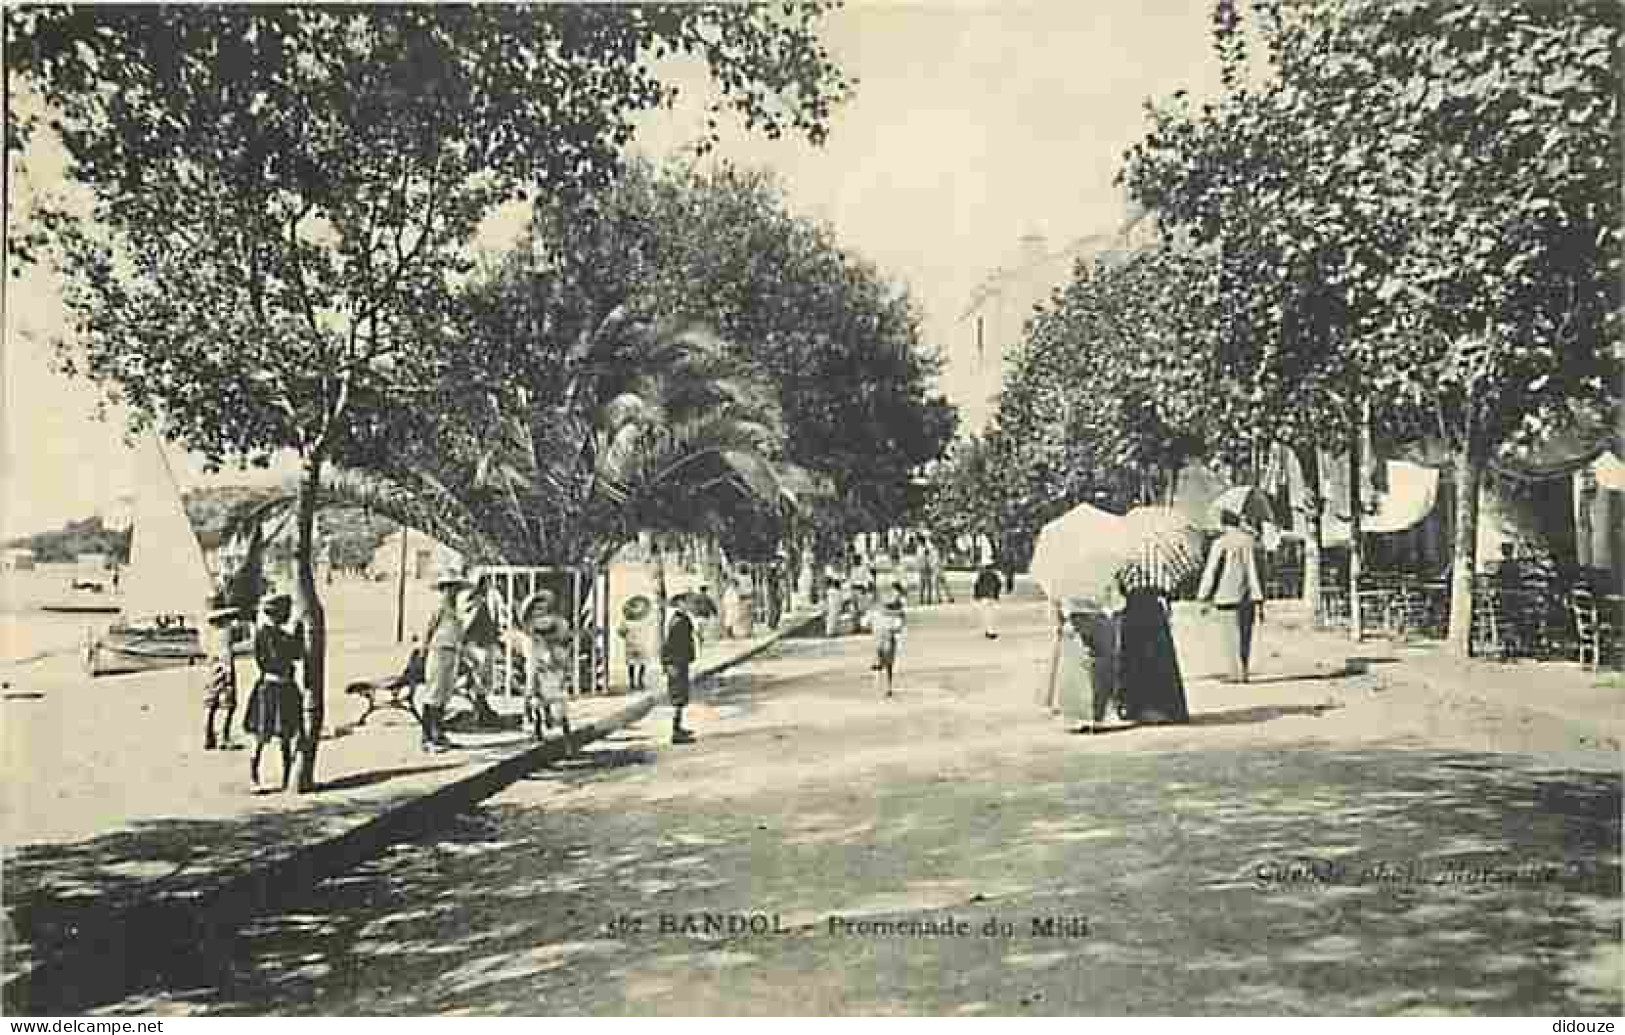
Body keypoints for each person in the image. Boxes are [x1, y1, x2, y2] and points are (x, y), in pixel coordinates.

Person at [1197, 509, 1266, 683]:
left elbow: (1212, 571)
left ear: (1223, 523)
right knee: (1245, 635)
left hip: (1226, 595)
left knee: (1230, 638)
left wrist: (1204, 595)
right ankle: (1243, 670)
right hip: (1249, 595)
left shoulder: (1220, 543)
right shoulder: (1252, 542)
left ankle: (1235, 673)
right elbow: (1259, 571)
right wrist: (1259, 598)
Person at [243, 593, 303, 791]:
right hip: (270, 688)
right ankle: (253, 775)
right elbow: (283, 657)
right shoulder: (266, 634)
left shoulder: (278, 634)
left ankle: (286, 776)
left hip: (283, 687)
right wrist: (294, 636)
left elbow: (297, 653)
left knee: (285, 734)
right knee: (262, 734)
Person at [1046, 585, 1124, 734]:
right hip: (1097, 615)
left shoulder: (1062, 574)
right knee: (1102, 664)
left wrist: (1059, 618)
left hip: (1074, 615)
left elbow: (1055, 598)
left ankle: (1078, 715)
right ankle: (1100, 713)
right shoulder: (1098, 569)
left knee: (1077, 666)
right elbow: (1112, 597)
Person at [1116, 580, 1189, 723]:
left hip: (1136, 601)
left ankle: (1142, 707)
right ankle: (1159, 708)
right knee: (1155, 656)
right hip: (1150, 601)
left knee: (1140, 656)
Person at [419, 571, 469, 752]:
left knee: (444, 694)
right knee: (433, 693)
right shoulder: (439, 608)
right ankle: (427, 737)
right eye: (448, 588)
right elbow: (428, 631)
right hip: (438, 652)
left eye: (455, 588)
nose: (452, 592)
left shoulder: (456, 610)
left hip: (452, 653)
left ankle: (438, 733)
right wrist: (423, 653)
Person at [518, 588, 573, 744]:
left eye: (543, 607)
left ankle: (566, 735)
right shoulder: (529, 629)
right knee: (535, 696)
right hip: (537, 665)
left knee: (559, 700)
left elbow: (564, 637)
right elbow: (529, 650)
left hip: (554, 667)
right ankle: (537, 728)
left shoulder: (557, 622)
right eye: (536, 608)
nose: (540, 611)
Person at [203, 599, 242, 750]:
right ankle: (224, 737)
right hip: (223, 669)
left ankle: (208, 736)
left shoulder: (208, 632)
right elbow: (226, 653)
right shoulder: (225, 633)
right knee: (229, 704)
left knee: (210, 704)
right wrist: (229, 673)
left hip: (211, 669)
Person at [661, 597, 698, 744]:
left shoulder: (681, 619)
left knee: (681, 696)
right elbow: (670, 645)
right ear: (679, 605)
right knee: (678, 697)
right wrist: (668, 664)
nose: (688, 605)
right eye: (685, 603)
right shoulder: (677, 622)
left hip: (680, 662)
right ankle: (676, 733)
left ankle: (678, 728)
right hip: (676, 663)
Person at [869, 582, 908, 697]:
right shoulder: (882, 611)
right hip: (884, 635)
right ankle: (885, 684)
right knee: (884, 658)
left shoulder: (896, 611)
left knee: (888, 661)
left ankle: (887, 686)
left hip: (888, 636)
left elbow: (900, 623)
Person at [616, 594, 658, 692]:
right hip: (643, 645)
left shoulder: (626, 621)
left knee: (631, 664)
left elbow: (620, 632)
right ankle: (640, 680)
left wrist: (626, 636)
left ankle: (632, 681)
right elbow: (651, 627)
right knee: (643, 663)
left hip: (630, 645)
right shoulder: (645, 621)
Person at [973, 563, 1003, 639]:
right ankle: (990, 631)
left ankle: (989, 631)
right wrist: (996, 596)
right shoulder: (994, 576)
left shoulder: (981, 576)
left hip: (984, 597)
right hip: (991, 597)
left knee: (986, 614)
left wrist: (977, 596)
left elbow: (976, 586)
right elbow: (999, 585)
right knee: (990, 614)